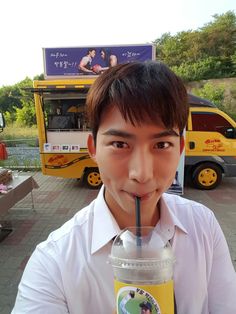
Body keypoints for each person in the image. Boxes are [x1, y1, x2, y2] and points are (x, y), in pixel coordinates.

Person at [11, 61, 236, 314]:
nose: (141, 174)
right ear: (93, 148)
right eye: (119, 144)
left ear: (180, 149)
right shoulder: (54, 263)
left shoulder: (202, 226)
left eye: (161, 145)